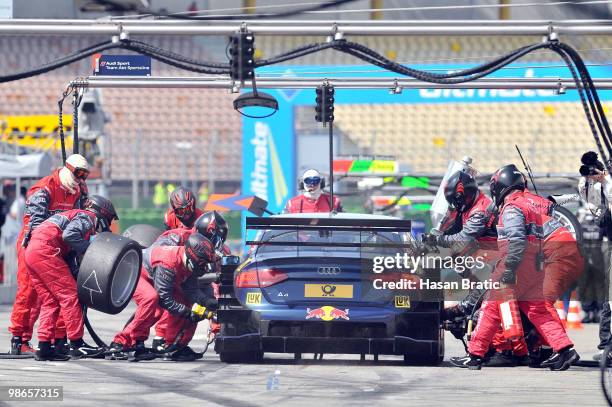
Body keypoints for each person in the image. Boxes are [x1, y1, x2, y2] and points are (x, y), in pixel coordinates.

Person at [451, 164, 579, 370]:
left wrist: (509, 268)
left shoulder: (511, 208)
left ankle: (475, 355)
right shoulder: (530, 204)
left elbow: (517, 240)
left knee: (491, 308)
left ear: (500, 186)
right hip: (532, 266)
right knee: (538, 309)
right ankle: (565, 350)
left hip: (515, 263)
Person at [422, 170, 530, 366]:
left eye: (457, 200)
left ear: (466, 193)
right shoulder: (467, 207)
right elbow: (453, 233)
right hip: (491, 262)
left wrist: (439, 240)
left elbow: (464, 238)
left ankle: (505, 350)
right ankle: (498, 347)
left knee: (486, 306)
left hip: (498, 263)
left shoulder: (481, 210)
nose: (456, 205)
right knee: (481, 302)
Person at [8, 154, 89, 355]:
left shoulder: (77, 190)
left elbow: (79, 219)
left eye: (84, 176)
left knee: (62, 293)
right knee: (29, 292)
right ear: (68, 170)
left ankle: (58, 338)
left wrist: (84, 198)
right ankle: (20, 339)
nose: (81, 180)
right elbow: (35, 224)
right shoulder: (43, 189)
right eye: (79, 175)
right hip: (34, 244)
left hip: (62, 246)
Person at [26, 195, 117, 361]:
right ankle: (77, 344)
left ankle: (44, 347)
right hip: (46, 250)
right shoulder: (88, 216)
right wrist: (91, 249)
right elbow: (69, 236)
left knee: (50, 301)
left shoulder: (73, 214)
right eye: (109, 219)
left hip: (32, 252)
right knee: (70, 296)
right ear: (102, 212)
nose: (107, 224)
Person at [106, 233, 218, 362]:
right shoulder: (167, 263)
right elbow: (164, 298)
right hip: (133, 271)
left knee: (182, 300)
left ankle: (172, 345)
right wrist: (187, 313)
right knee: (150, 298)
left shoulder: (188, 262)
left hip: (153, 276)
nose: (205, 268)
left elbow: (191, 291)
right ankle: (128, 342)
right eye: (203, 263)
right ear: (193, 257)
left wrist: (208, 301)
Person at [149, 211, 229, 351]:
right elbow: (159, 255)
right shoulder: (179, 236)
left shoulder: (220, 250)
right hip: (166, 275)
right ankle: (163, 337)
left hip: (193, 279)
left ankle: (182, 343)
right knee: (178, 299)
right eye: (215, 239)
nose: (217, 244)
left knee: (204, 301)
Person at [577, 151, 612, 360]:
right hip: (607, 243)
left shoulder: (608, 185)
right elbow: (593, 205)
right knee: (608, 297)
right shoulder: (598, 186)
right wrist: (591, 181)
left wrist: (606, 181)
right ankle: (607, 345)